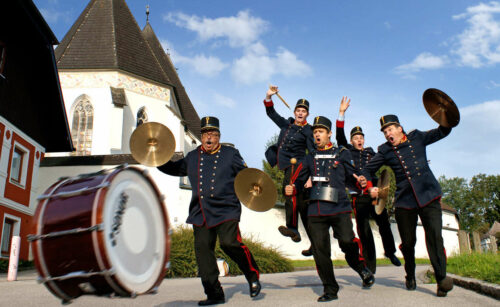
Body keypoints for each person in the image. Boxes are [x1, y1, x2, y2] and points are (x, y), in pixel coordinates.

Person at [158, 116, 261, 305]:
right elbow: (175, 168)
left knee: (230, 243)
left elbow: (246, 175)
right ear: (201, 136)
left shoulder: (231, 154)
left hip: (226, 209)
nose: (208, 138)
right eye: (205, 134)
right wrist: (156, 157)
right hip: (201, 212)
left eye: (213, 134)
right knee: (203, 253)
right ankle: (214, 294)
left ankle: (252, 275)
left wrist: (256, 188)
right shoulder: (193, 156)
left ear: (218, 136)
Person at [360, 114, 454, 297]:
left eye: (390, 129)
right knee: (409, 242)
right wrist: (370, 185)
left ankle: (441, 279)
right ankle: (410, 274)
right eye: (385, 132)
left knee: (435, 237)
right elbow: (367, 169)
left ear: (399, 128)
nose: (388, 134)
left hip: (429, 195)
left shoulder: (417, 137)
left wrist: (445, 115)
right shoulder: (385, 150)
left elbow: (442, 132)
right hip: (404, 202)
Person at [285, 116, 374, 302]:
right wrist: (292, 187)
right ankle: (330, 289)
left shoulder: (342, 153)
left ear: (329, 134)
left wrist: (361, 181)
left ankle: (361, 268)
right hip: (316, 211)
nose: (317, 135)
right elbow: (299, 181)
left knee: (347, 242)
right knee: (320, 250)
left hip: (340, 207)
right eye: (315, 132)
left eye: (321, 132)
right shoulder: (309, 157)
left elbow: (352, 175)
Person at [335, 97, 401, 273]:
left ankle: (390, 252)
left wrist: (380, 186)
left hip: (375, 193)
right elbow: (339, 136)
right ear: (352, 140)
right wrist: (341, 113)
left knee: (384, 223)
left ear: (364, 139)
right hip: (358, 195)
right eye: (355, 138)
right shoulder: (347, 151)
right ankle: (369, 268)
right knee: (364, 232)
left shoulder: (372, 152)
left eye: (361, 137)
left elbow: (381, 168)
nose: (359, 140)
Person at [264, 85, 315, 256]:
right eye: (298, 110)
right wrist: (269, 96)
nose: (300, 113)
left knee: (289, 193)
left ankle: (292, 228)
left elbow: (312, 154)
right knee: (301, 206)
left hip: (299, 166)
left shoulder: (309, 130)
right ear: (294, 112)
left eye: (304, 111)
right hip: (288, 167)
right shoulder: (287, 124)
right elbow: (271, 114)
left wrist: (310, 177)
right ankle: (314, 243)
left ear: (307, 114)